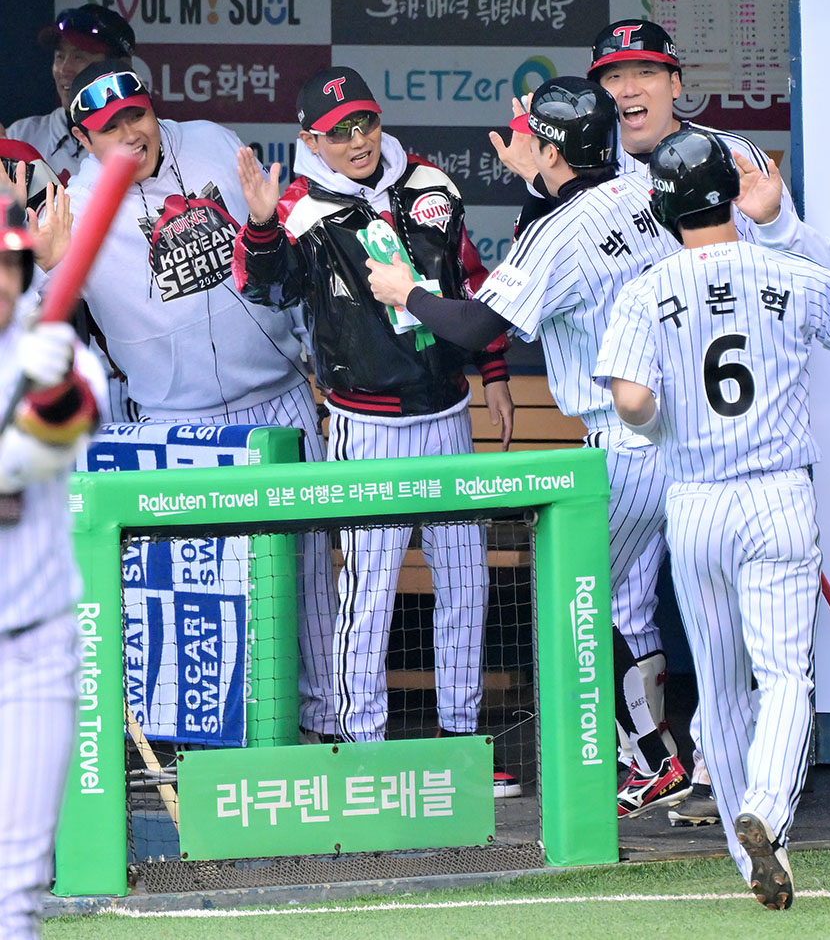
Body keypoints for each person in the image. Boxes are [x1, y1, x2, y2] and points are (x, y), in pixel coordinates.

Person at [365, 76, 694, 817]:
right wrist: (537, 175)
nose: (516, 142)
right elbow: (554, 233)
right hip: (694, 439)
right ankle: (668, 759)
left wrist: (404, 291)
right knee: (625, 603)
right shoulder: (642, 189)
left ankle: (652, 758)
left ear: (548, 146)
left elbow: (479, 328)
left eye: (529, 136)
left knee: (573, 595)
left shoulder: (559, 228)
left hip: (629, 443)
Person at [593, 128, 830, 908]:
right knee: (785, 672)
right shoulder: (787, 270)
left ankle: (745, 850)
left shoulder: (645, 287)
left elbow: (628, 400)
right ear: (730, 194)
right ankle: (769, 815)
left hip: (695, 501)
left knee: (722, 688)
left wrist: (664, 426)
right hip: (776, 498)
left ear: (662, 206)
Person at [232, 67, 520, 796]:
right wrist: (261, 225)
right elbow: (266, 291)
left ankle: (462, 743)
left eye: (365, 124)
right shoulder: (297, 205)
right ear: (311, 142)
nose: (357, 141)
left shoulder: (432, 183)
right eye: (339, 133)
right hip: (367, 424)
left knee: (465, 585)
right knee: (371, 593)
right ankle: (362, 752)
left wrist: (494, 375)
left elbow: (471, 283)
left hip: (448, 412)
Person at [50, 60, 339, 745]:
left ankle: (329, 729)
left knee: (311, 581)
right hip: (182, 427)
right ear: (85, 141)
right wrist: (42, 267)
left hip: (278, 399)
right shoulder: (78, 206)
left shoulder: (209, 140)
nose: (128, 135)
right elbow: (35, 318)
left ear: (154, 110)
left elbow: (279, 254)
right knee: (200, 598)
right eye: (108, 129)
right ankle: (206, 750)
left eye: (136, 117)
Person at [0, 194, 104, 939]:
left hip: (31, 651)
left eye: (7, 264)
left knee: (16, 884)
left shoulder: (55, 351)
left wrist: (46, 390)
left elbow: (67, 427)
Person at [2, 5, 137, 181]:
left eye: (79, 57)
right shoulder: (21, 136)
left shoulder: (141, 139)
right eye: (59, 56)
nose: (64, 69)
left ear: (120, 66)